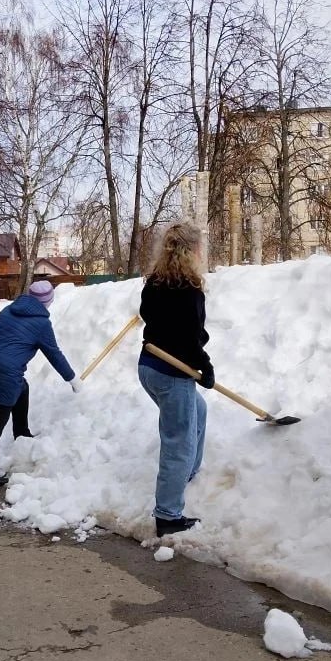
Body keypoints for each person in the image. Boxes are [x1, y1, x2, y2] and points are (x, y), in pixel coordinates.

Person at [137, 222, 214, 539]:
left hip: (149, 367)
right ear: (192, 250)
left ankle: (185, 472)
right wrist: (205, 366)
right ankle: (168, 515)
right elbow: (188, 339)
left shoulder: (154, 283)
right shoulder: (189, 288)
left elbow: (154, 319)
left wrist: (195, 345)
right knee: (177, 444)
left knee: (200, 411)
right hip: (172, 372)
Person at [0, 279, 81, 487]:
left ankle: (21, 432)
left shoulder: (9, 309)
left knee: (22, 387)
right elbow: (54, 354)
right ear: (48, 302)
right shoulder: (41, 323)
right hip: (4, 368)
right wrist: (73, 379)